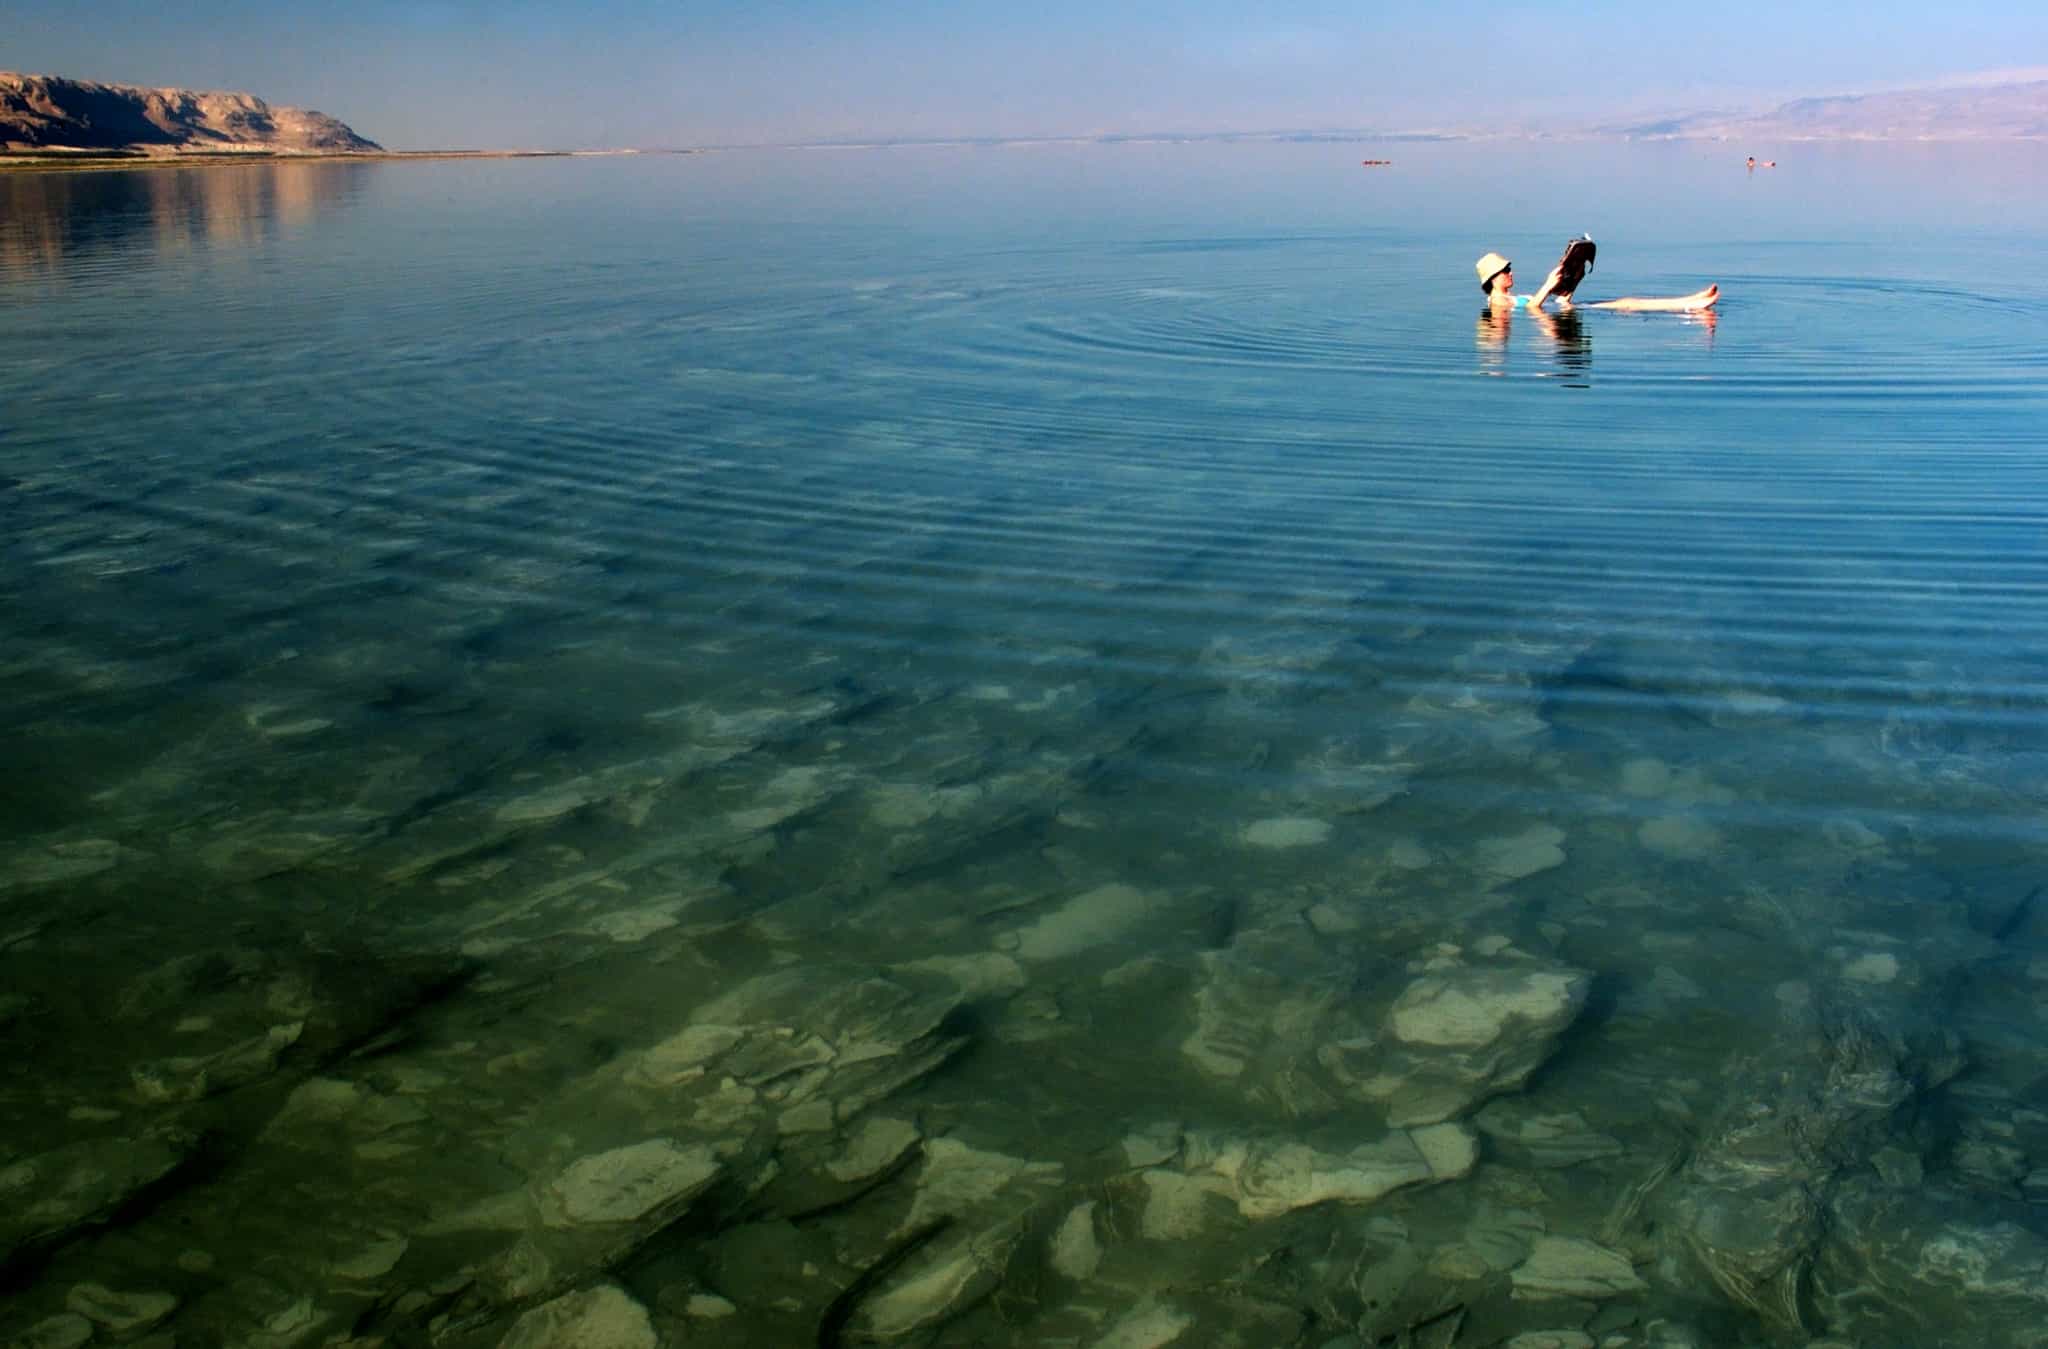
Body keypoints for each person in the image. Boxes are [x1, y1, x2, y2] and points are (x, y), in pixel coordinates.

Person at [1476, 249, 1718, 313]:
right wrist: (1548, 285)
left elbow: (1539, 305)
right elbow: (1532, 308)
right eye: (1505, 270)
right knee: (1627, 305)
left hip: (1563, 311)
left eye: (1509, 268)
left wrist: (1571, 280)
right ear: (1493, 278)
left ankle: (1693, 300)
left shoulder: (1507, 298)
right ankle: (1692, 305)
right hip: (1557, 317)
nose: (1511, 273)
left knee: (1627, 303)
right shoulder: (1497, 303)